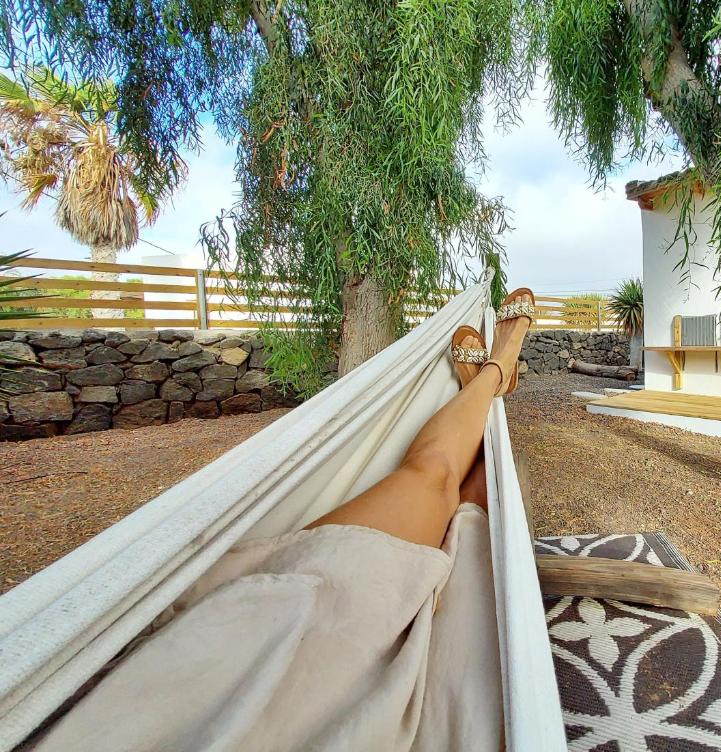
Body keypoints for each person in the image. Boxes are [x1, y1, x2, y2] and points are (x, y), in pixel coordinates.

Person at [33, 290, 536, 752]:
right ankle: (497, 374)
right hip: (315, 658)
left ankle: (488, 381)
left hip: (218, 656)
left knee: (434, 477)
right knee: (476, 503)